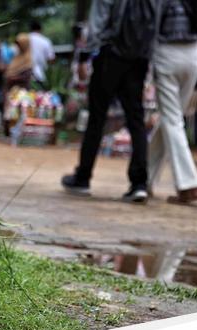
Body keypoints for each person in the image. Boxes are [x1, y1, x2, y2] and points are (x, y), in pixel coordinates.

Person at [61, 0, 162, 202]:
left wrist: (84, 57)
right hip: (139, 59)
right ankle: (139, 183)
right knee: (136, 119)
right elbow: (157, 25)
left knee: (96, 117)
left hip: (110, 56)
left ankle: (83, 177)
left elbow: (98, 23)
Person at [148, 0, 197, 204]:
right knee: (172, 120)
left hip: (167, 53)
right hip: (193, 55)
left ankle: (188, 184)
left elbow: (152, 25)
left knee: (172, 121)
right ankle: (145, 178)